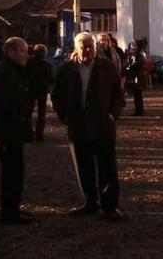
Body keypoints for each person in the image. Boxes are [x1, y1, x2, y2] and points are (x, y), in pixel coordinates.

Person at [52, 32, 124, 221]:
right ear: (76, 47)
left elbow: (119, 94)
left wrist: (111, 115)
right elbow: (57, 95)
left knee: (107, 167)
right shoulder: (67, 69)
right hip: (78, 126)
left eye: (90, 46)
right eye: (83, 46)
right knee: (84, 168)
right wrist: (65, 116)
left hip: (103, 126)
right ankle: (90, 202)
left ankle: (110, 206)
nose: (87, 50)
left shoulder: (106, 67)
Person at [0, 37, 34, 225]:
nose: (27, 56)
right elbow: (4, 104)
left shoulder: (11, 71)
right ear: (11, 52)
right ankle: (9, 213)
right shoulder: (6, 72)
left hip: (11, 129)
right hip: (9, 130)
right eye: (23, 51)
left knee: (15, 172)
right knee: (12, 173)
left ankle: (13, 208)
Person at [27, 44, 53, 143]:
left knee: (29, 111)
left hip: (31, 88)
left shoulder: (29, 63)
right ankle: (39, 134)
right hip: (43, 89)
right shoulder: (46, 64)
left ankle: (28, 132)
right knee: (41, 113)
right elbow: (51, 79)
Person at [125, 40, 146, 116]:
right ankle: (138, 110)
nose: (132, 47)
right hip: (136, 75)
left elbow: (138, 65)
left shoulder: (139, 55)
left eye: (134, 45)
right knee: (136, 93)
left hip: (138, 76)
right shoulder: (134, 54)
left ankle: (139, 110)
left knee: (138, 93)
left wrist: (130, 66)